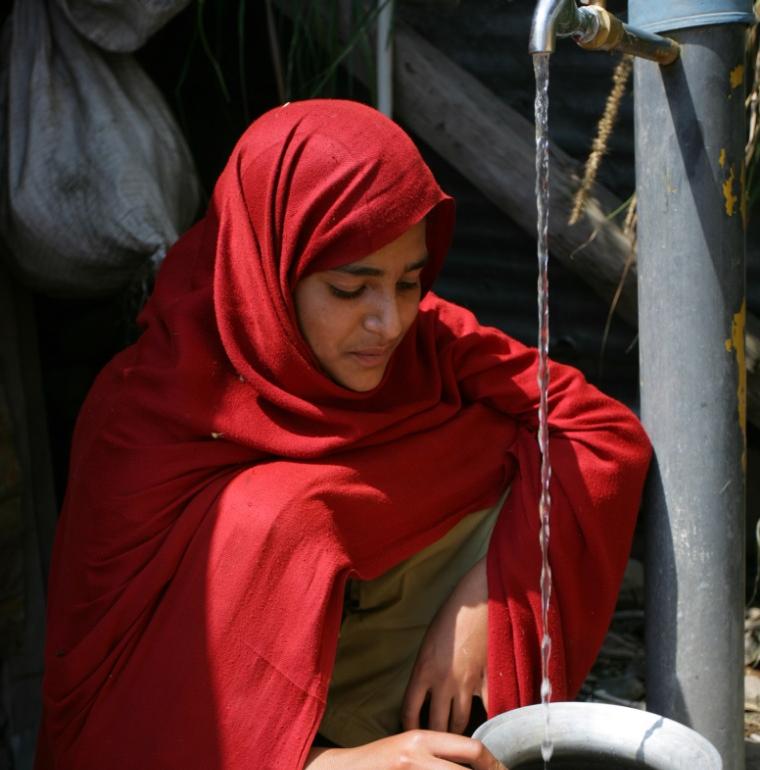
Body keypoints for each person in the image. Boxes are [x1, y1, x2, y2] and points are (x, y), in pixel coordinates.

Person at [35, 100, 651, 770]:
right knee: (270, 519)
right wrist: (338, 765)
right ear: (272, 269)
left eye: (409, 280)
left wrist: (494, 590)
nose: (387, 322)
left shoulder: (427, 342)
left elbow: (600, 433)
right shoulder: (143, 421)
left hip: (409, 715)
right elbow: (117, 727)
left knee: (515, 451)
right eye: (350, 289)